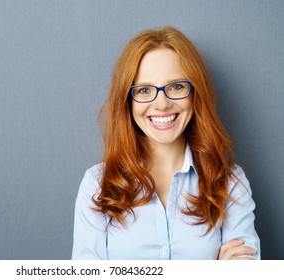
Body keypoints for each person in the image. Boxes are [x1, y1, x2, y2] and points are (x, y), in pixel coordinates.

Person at [72, 27, 260, 260]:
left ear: (195, 93)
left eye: (176, 87)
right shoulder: (97, 186)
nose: (161, 104)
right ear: (127, 102)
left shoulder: (231, 183)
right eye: (144, 90)